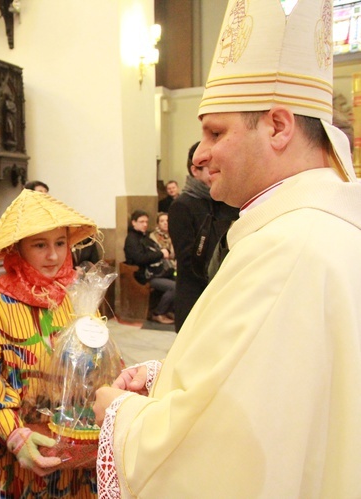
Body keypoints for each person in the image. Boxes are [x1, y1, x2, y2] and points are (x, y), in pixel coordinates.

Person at [94, 0, 361, 496]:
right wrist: (167, 378)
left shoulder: (289, 251)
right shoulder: (324, 230)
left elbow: (220, 459)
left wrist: (119, 415)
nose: (200, 153)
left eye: (216, 132)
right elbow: (279, 398)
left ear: (278, 126)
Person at [0, 188, 99, 498]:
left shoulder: (81, 299)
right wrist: (17, 438)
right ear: (17, 249)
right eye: (40, 245)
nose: (54, 256)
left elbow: (103, 367)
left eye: (60, 243)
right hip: (26, 458)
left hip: (80, 452)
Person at [168, 142, 238, 331]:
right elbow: (188, 260)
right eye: (210, 168)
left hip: (224, 296)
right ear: (194, 170)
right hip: (195, 297)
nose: (216, 172)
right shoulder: (182, 206)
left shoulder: (226, 202)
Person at [123, 210, 175, 325]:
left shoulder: (144, 236)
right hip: (144, 275)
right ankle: (157, 313)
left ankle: (169, 310)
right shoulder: (132, 239)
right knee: (174, 287)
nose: (145, 224)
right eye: (141, 222)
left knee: (178, 280)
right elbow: (140, 258)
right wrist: (161, 254)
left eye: (146, 222)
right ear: (133, 223)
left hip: (153, 272)